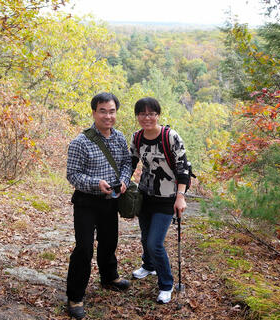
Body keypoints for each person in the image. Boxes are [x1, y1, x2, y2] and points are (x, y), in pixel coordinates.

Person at [66, 92, 132, 319]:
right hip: (86, 201)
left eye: (111, 111)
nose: (107, 116)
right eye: (102, 111)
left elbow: (126, 163)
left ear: (116, 113)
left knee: (109, 241)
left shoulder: (120, 138)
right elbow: (72, 175)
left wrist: (124, 180)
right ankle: (75, 297)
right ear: (94, 112)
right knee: (84, 248)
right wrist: (96, 184)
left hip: (111, 200)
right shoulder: (80, 142)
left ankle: (109, 277)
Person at [130, 97, 189, 304]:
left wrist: (180, 197)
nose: (147, 118)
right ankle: (148, 266)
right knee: (146, 238)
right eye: (143, 114)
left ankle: (166, 284)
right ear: (137, 116)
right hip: (145, 194)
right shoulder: (137, 138)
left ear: (158, 115)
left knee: (155, 243)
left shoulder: (170, 136)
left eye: (151, 114)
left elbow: (184, 169)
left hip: (167, 197)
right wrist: (122, 182)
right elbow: (131, 162)